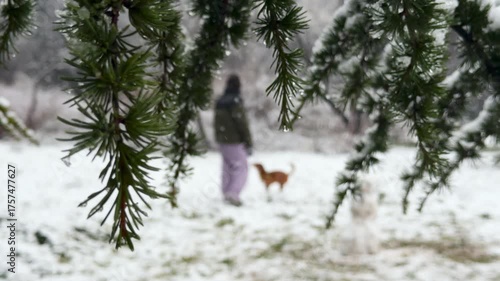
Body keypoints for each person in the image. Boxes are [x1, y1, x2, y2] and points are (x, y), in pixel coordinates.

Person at [214, 74, 253, 206]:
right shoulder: (235, 101)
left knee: (227, 167)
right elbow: (242, 124)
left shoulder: (220, 101)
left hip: (222, 141)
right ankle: (233, 194)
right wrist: (248, 142)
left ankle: (226, 192)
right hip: (234, 141)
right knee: (241, 168)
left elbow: (216, 123)